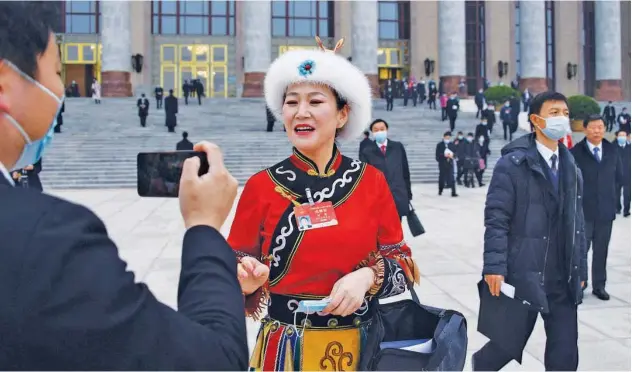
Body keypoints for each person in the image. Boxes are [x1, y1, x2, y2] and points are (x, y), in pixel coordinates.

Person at [0, 3, 248, 369]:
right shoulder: (42, 239)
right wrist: (204, 228)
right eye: (56, 70)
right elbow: (213, 360)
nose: (60, 88)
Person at [227, 36, 420, 371]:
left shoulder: (370, 181)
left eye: (315, 101)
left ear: (343, 114)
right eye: (291, 102)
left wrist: (367, 278)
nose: (301, 112)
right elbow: (231, 266)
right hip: (285, 349)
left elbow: (403, 267)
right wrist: (243, 279)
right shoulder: (262, 186)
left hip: (361, 347)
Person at [474, 91, 587, 371]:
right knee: (504, 346)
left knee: (565, 352)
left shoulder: (572, 166)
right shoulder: (512, 165)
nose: (562, 118)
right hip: (524, 272)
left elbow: (579, 224)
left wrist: (581, 268)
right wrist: (494, 266)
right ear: (535, 120)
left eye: (565, 112)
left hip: (563, 276)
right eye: (554, 112)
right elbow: (497, 218)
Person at [570, 114, 624, 301]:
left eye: (600, 127)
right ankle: (578, 286)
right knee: (580, 252)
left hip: (606, 211)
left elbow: (619, 178)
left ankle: (599, 286)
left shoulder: (612, 150)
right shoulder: (576, 152)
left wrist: (615, 201)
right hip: (583, 211)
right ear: (585, 129)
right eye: (593, 127)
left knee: (602, 251)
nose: (597, 131)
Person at [360, 119, 413, 219]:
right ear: (372, 133)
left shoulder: (398, 147)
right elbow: (365, 177)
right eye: (376, 130)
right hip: (379, 198)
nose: (379, 132)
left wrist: (408, 194)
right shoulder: (367, 151)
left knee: (397, 228)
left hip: (398, 194)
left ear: (386, 130)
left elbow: (405, 171)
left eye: (382, 129)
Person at [613, 130, 631, 217]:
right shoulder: (612, 147)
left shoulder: (630, 148)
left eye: (624, 135)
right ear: (617, 137)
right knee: (616, 192)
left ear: (627, 137)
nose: (622, 137)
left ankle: (626, 210)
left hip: (628, 173)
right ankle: (617, 208)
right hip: (616, 173)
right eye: (620, 135)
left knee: (627, 193)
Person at [435, 131, 458, 197]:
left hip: (450, 163)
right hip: (442, 164)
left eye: (449, 137)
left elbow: (455, 153)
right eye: (447, 137)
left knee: (452, 178)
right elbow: (437, 156)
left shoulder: (451, 144)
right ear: (444, 137)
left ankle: (453, 192)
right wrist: (444, 155)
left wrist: (452, 156)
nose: (448, 139)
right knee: (442, 178)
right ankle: (440, 190)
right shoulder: (439, 145)